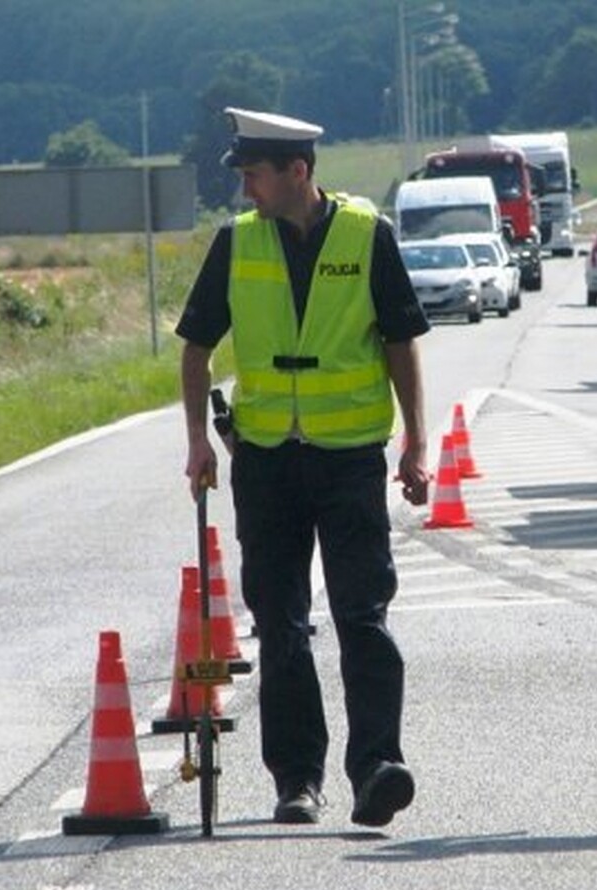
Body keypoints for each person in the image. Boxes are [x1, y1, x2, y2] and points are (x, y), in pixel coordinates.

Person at [177, 107, 431, 828]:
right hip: (265, 463)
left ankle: (377, 765)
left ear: (297, 172)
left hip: (350, 459)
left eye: (253, 174)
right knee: (280, 624)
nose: (244, 188)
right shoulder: (237, 244)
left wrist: (416, 442)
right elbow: (195, 347)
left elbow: (401, 340)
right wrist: (197, 439)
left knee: (363, 615)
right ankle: (297, 778)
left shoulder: (365, 234)